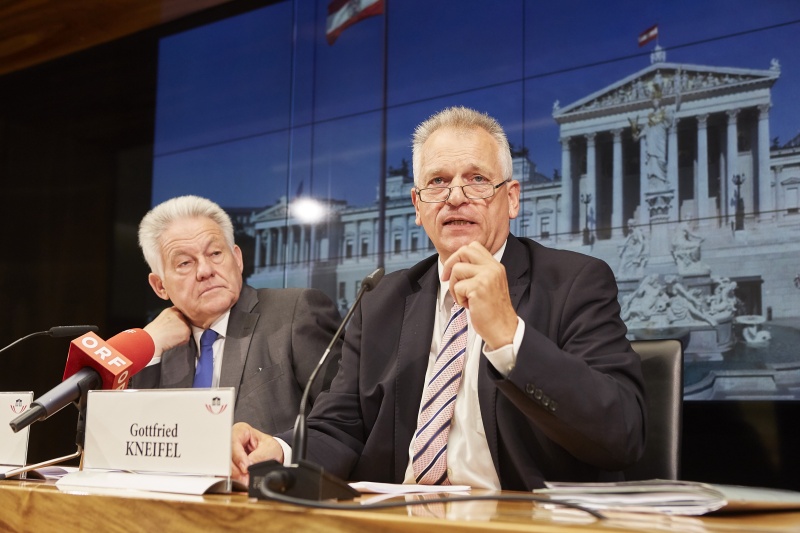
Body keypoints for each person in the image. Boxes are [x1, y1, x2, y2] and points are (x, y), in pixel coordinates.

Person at [232, 107, 646, 490]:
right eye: (438, 182)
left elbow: (622, 434)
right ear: (417, 206)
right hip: (399, 517)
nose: (455, 196)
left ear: (512, 198)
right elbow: (340, 427)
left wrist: (509, 337)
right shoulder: (380, 301)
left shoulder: (574, 283)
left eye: (477, 179)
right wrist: (280, 451)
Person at [133, 195, 343, 435]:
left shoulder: (295, 312)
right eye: (184, 263)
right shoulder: (159, 349)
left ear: (237, 259)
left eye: (215, 253)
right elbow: (126, 436)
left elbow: (342, 422)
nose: (205, 270)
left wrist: (281, 449)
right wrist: (148, 347)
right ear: (160, 286)